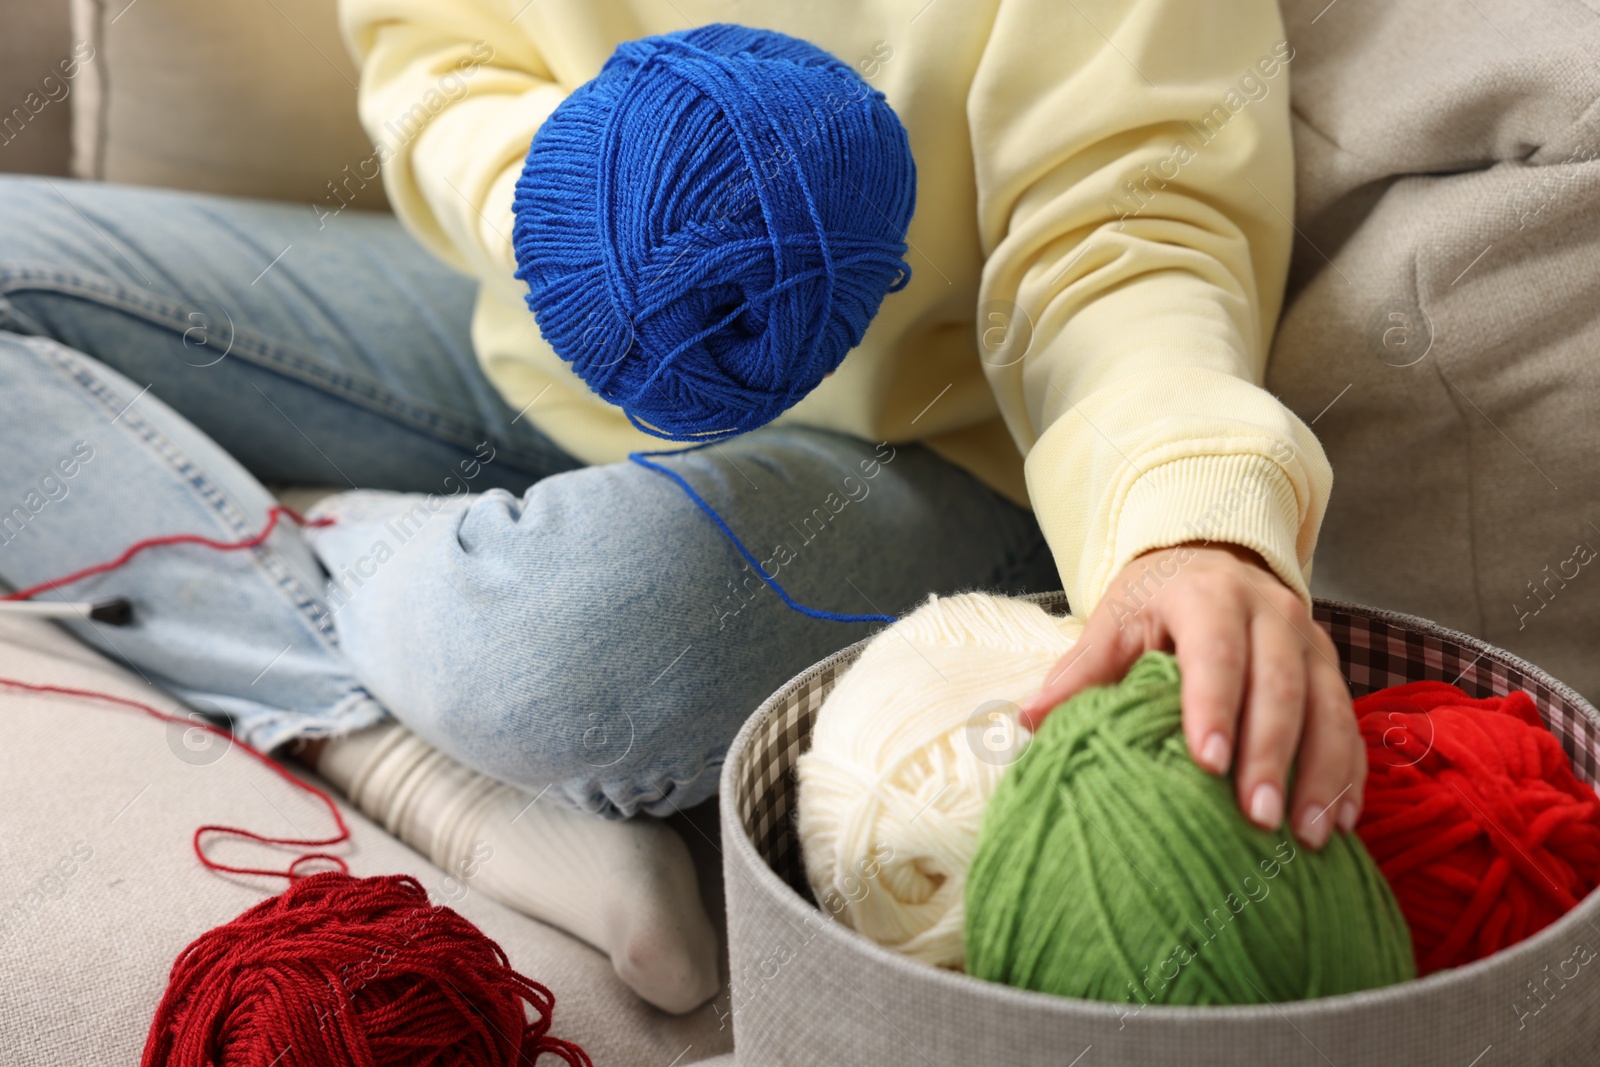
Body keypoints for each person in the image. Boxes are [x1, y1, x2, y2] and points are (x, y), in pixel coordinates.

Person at [0, 0, 1356, 1013]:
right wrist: (571, 196)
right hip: (522, 333)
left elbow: (1118, 244)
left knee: (542, 651)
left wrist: (1184, 516)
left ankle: (372, 573)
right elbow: (430, 51)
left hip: (913, 449)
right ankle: (385, 742)